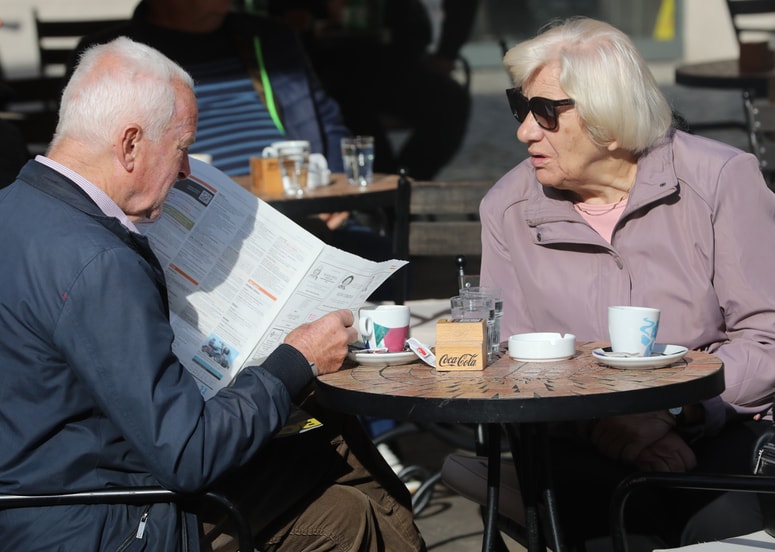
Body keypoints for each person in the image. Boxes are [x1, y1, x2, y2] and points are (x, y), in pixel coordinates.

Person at [0, 36, 425, 551]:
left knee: (334, 464)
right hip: (104, 521)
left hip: (43, 495)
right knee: (342, 493)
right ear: (130, 144)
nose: (185, 172)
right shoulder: (100, 263)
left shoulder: (15, 208)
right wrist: (297, 358)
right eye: (181, 150)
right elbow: (187, 454)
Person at [479, 17, 775, 548]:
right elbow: (508, 357)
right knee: (584, 514)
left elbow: (768, 335)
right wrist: (606, 426)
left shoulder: (719, 179)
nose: (525, 130)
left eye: (545, 112)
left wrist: (671, 410)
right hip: (578, 438)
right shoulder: (508, 208)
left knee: (717, 522)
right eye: (519, 107)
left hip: (722, 421)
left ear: (609, 121)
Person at [282, 0, 478, 180]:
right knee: (348, 110)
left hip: (394, 64)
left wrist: (447, 52)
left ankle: (407, 184)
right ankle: (383, 194)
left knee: (451, 101)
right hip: (322, 71)